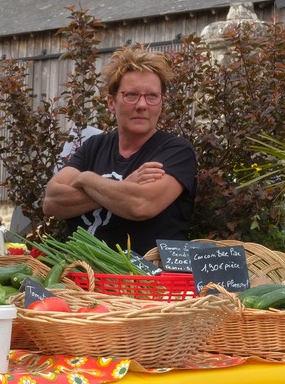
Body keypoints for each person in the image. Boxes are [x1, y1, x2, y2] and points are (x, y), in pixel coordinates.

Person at [41, 45, 196, 252]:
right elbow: (52, 202)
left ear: (161, 104)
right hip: (81, 275)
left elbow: (140, 204)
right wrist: (124, 185)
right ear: (111, 103)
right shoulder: (94, 146)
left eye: (152, 96)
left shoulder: (176, 151)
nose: (142, 105)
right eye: (131, 95)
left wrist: (87, 179)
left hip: (147, 278)